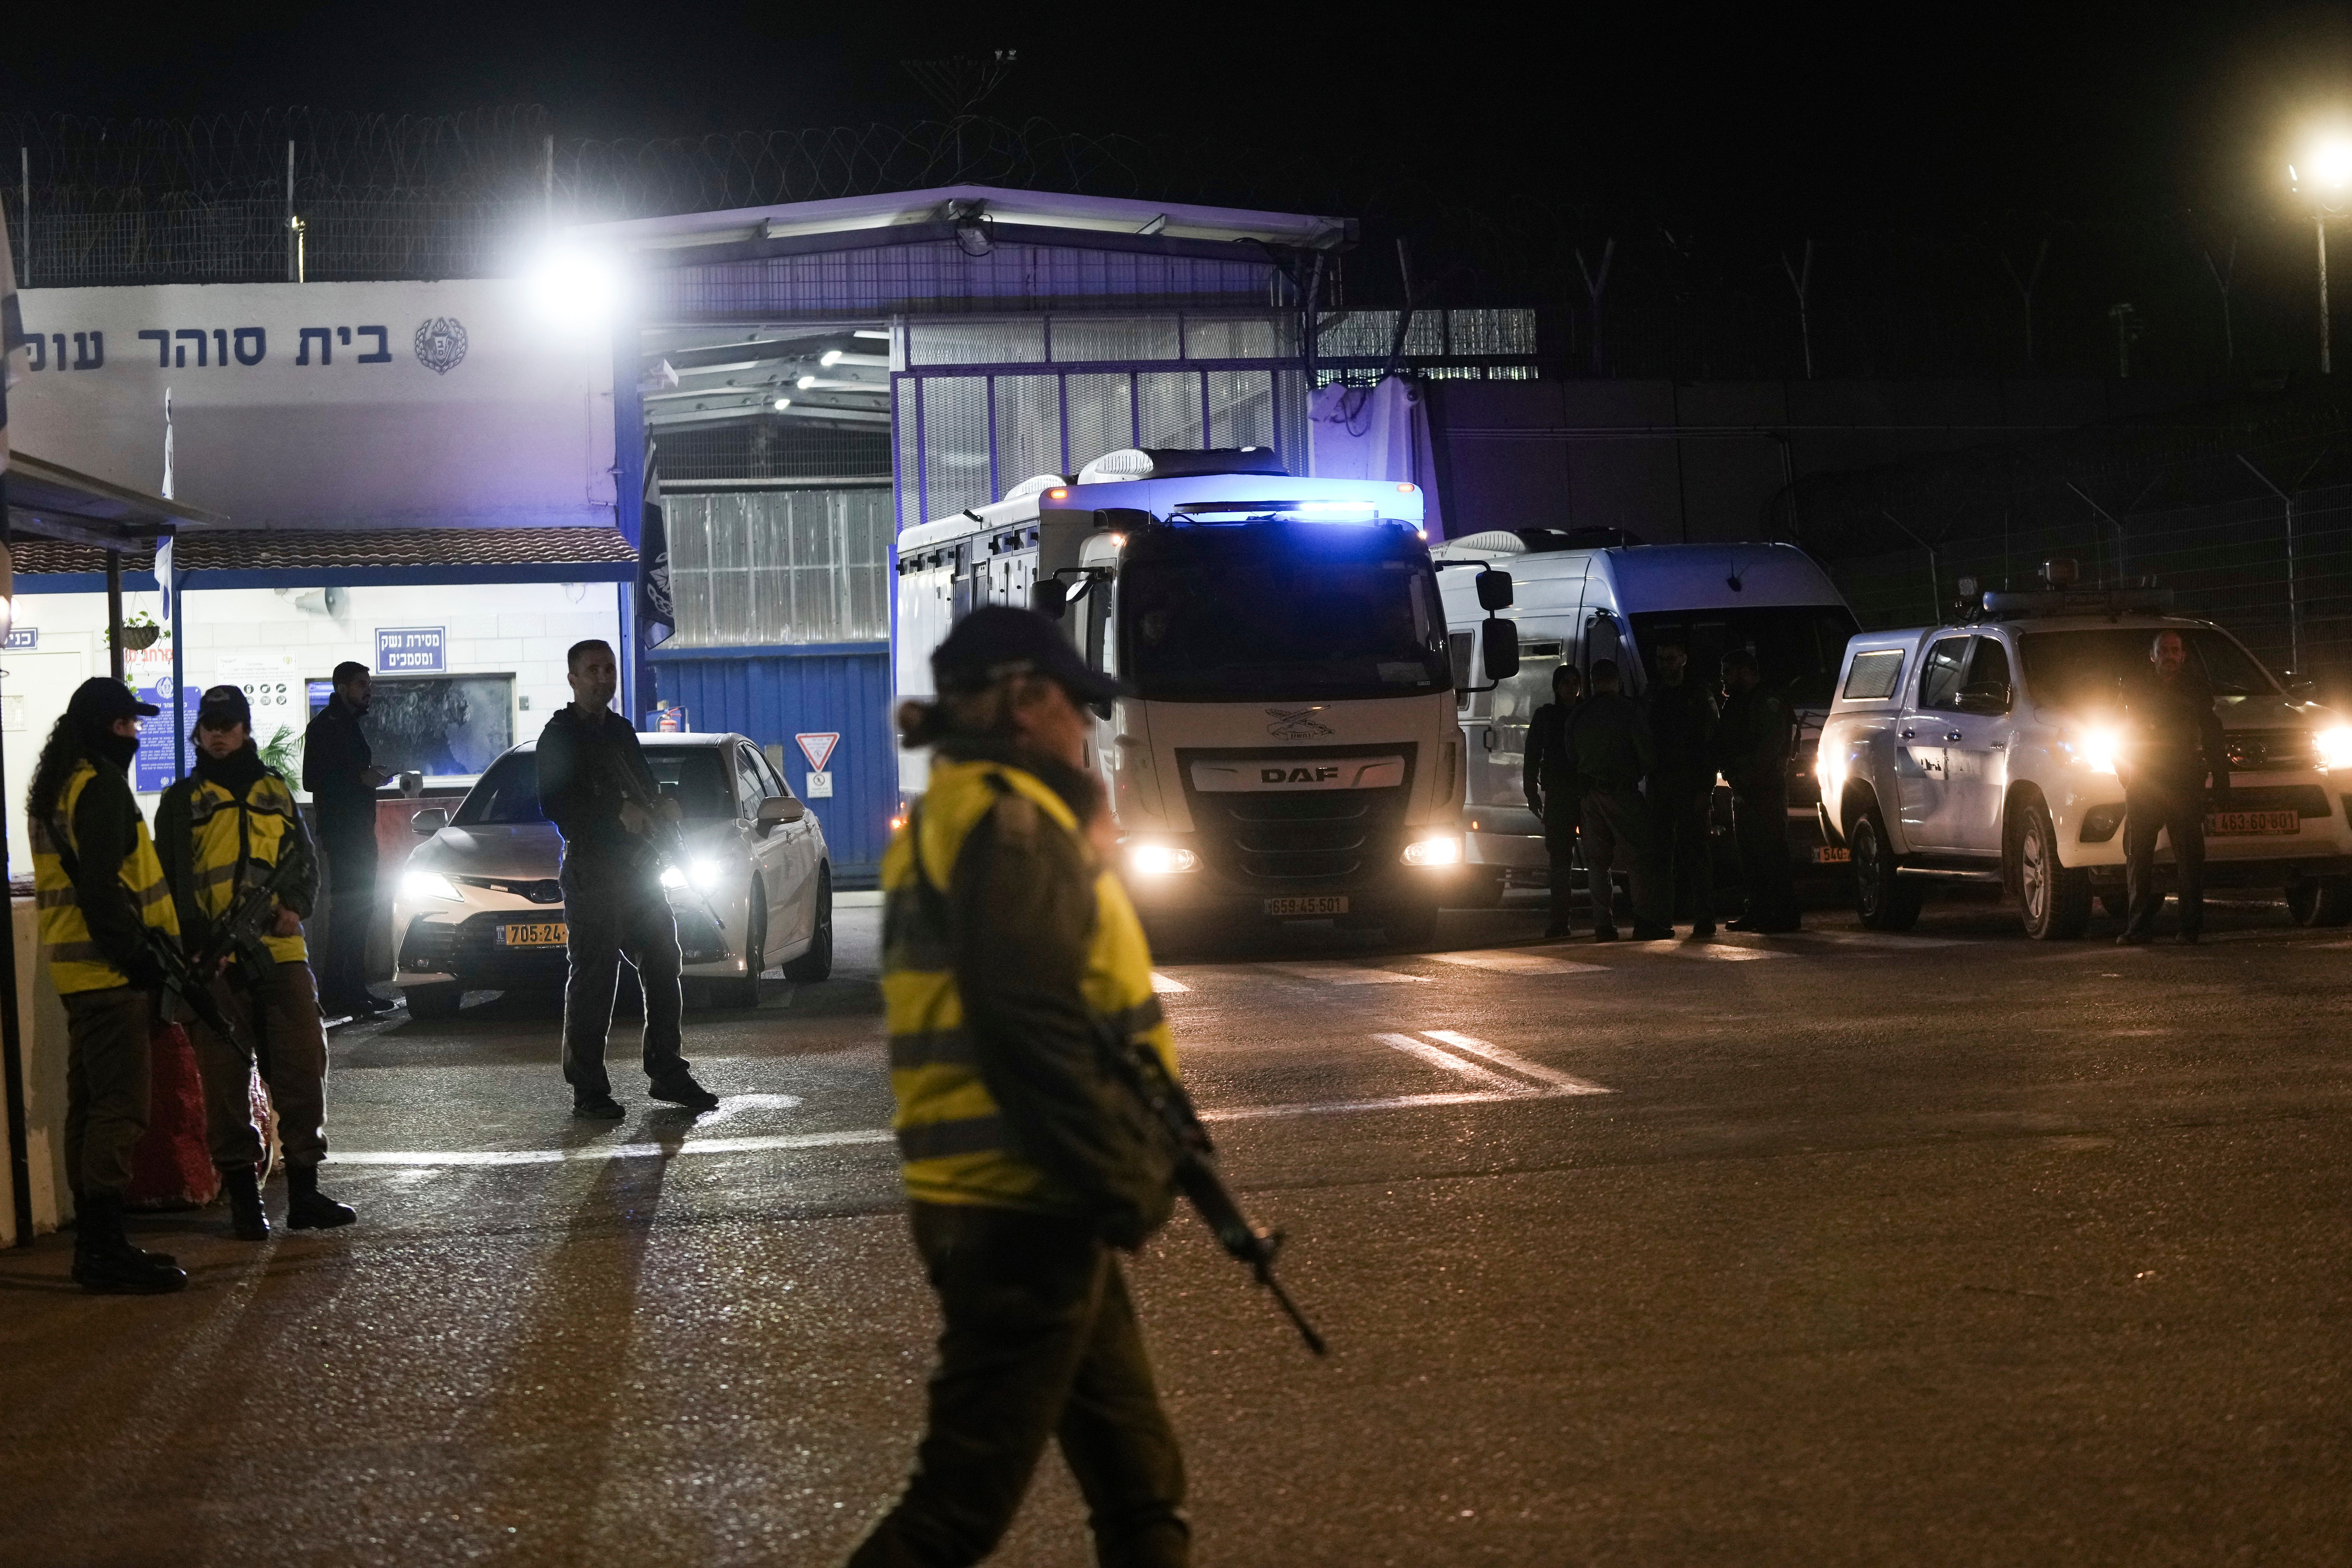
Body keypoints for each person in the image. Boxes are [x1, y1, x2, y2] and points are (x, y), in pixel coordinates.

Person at [847, 604, 1189, 1568]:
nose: (1087, 728)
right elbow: (1026, 1020)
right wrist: (1119, 1174)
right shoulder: (1010, 823)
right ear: (1021, 702)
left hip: (1027, 1193)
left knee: (1140, 1481)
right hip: (1023, 1203)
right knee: (954, 1510)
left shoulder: (966, 809)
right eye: (1077, 705)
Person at [157, 685, 354, 1239]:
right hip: (212, 960)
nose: (218, 734)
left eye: (229, 724)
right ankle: (245, 1203)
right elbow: (170, 878)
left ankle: (307, 1194)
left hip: (281, 953)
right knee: (223, 1080)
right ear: (198, 733)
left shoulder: (274, 792)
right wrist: (196, 944)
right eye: (210, 725)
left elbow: (305, 863)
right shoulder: (181, 801)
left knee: (301, 1066)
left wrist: (295, 906)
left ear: (246, 731)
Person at [27, 678, 188, 1293]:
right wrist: (141, 962)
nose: (134, 734)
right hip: (111, 972)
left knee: (90, 1108)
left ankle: (94, 1245)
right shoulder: (100, 789)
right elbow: (101, 891)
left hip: (76, 972)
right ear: (101, 729)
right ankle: (103, 1249)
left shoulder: (58, 788)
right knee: (120, 1111)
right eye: (125, 725)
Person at [536, 639, 720, 1118]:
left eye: (609, 670)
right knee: (595, 980)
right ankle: (589, 1091)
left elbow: (643, 784)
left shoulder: (619, 731)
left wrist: (661, 804)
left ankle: (667, 1071)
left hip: (637, 872)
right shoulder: (559, 735)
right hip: (593, 871)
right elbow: (557, 803)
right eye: (593, 670)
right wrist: (618, 813)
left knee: (663, 962)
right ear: (573, 678)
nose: (603, 679)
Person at [2117, 630, 2229, 945]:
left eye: (2175, 651)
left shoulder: (2196, 689)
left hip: (2184, 782)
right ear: (2153, 656)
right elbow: (2117, 732)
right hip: (2145, 782)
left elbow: (2212, 733)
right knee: (2139, 856)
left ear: (2183, 656)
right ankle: (2137, 928)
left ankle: (2190, 929)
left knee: (2190, 857)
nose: (2170, 656)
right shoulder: (2135, 690)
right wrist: (2126, 775)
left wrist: (2221, 779)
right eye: (2163, 651)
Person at [302, 661, 393, 1016]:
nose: (368, 690)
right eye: (361, 684)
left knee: (357, 910)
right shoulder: (327, 727)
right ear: (342, 688)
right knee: (351, 911)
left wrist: (365, 777)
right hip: (345, 833)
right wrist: (360, 777)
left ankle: (348, 988)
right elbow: (313, 779)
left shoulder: (347, 726)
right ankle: (343, 990)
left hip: (355, 830)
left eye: (369, 684)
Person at [1564, 660, 1673, 941]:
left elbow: (1571, 754)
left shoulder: (1580, 713)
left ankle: (1603, 925)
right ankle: (1645, 921)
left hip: (1590, 795)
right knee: (1637, 858)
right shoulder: (1629, 712)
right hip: (1622, 792)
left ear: (1593, 680)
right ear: (1617, 681)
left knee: (1598, 862)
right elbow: (1648, 756)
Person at [1717, 647, 1800, 933]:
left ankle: (1783, 913)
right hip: (1746, 787)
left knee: (1772, 852)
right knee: (1750, 852)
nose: (1724, 678)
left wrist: (1745, 776)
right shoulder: (1740, 702)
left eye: (1729, 671)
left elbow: (1768, 748)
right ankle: (1759, 910)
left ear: (1746, 672)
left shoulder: (1766, 702)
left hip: (1764, 789)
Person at [1646, 642, 1721, 937]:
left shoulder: (1698, 694)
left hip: (1690, 784)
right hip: (1661, 783)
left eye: (1670, 659)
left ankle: (1704, 918)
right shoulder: (1652, 694)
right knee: (1660, 855)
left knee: (1696, 853)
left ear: (1684, 659)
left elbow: (1711, 742)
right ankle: (1663, 919)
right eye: (1661, 659)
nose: (1665, 664)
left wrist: (1707, 787)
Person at [1522, 664, 1585, 939]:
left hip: (1581, 792)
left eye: (1575, 683)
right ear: (1557, 687)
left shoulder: (1583, 713)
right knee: (1561, 860)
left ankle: (1569, 921)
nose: (1571, 688)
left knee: (1570, 859)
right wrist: (1531, 791)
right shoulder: (1550, 716)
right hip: (1563, 793)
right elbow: (1532, 755)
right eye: (1567, 683)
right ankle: (1562, 921)